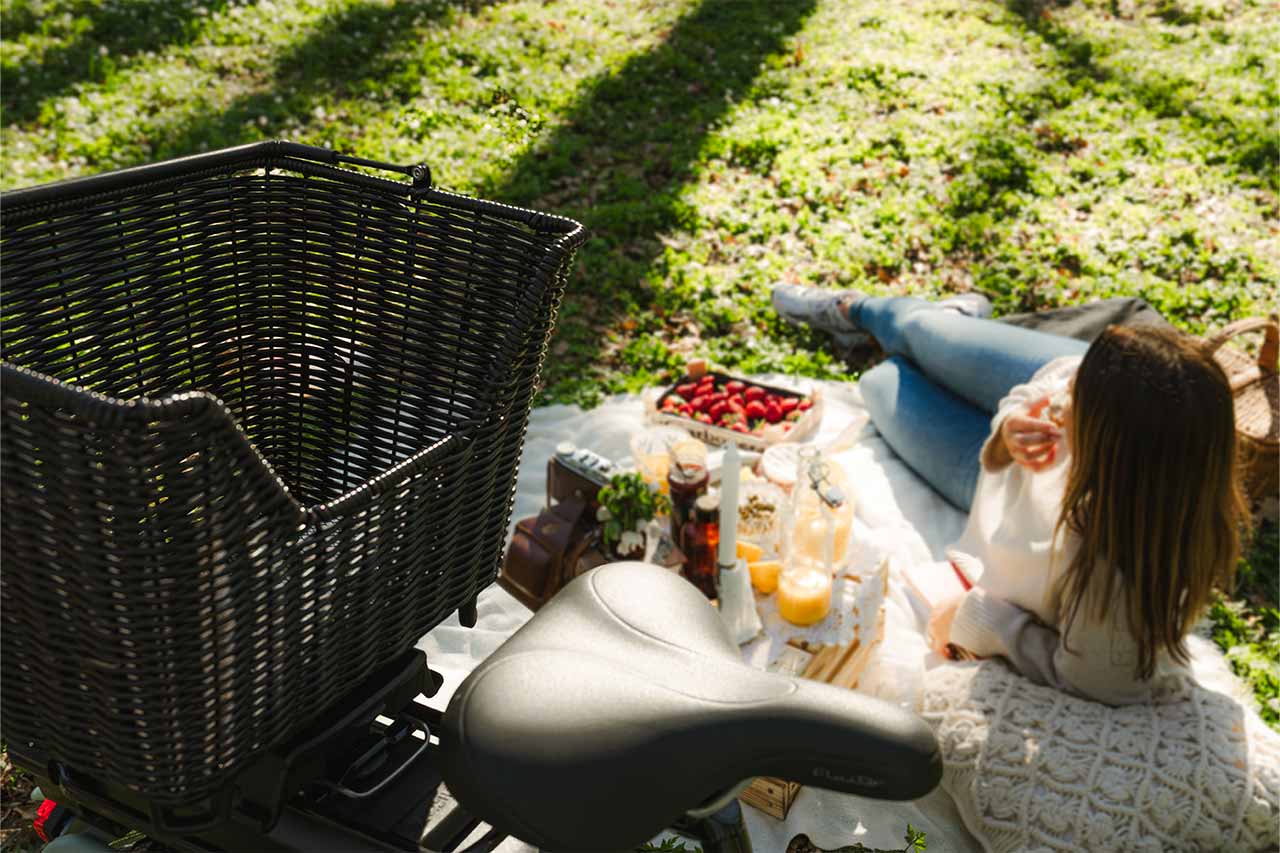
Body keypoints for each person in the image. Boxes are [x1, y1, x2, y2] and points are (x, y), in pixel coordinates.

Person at [773, 284, 1249, 705]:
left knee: (882, 381)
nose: (1061, 404)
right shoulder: (1128, 420)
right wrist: (1008, 430)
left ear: (1111, 453)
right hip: (1002, 464)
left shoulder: (1117, 574)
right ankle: (857, 309)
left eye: (1073, 407)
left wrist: (981, 619)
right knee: (916, 327)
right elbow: (1054, 383)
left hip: (980, 484)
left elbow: (1097, 680)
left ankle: (933, 334)